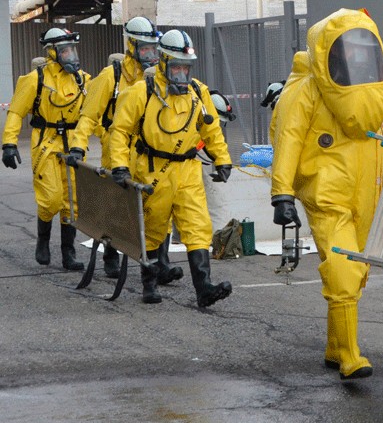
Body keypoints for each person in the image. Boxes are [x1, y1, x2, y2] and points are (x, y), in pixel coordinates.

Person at [270, 8, 383, 381]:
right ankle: (350, 355)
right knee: (342, 269)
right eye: (350, 50)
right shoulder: (307, 92)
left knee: (355, 272)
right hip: (327, 196)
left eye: (364, 50)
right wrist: (281, 193)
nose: (358, 58)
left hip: (369, 196)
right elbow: (289, 139)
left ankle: (335, 347)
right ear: (331, 54)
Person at [108, 29, 233, 307]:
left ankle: (204, 288)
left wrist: (222, 159)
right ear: (163, 63)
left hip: (188, 170)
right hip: (153, 170)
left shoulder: (198, 92)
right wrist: (120, 166)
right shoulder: (141, 92)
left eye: (186, 67)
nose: (182, 74)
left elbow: (211, 129)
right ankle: (149, 284)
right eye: (177, 67)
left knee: (197, 226)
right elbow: (120, 132)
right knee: (153, 229)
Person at [67, 16, 184, 283]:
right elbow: (89, 115)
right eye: (145, 49)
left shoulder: (160, 78)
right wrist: (77, 147)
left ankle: (160, 265)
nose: (151, 55)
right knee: (116, 205)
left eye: (154, 49)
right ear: (132, 46)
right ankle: (111, 255)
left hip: (150, 152)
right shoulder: (112, 77)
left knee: (158, 207)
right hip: (117, 148)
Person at [2, 28, 91, 270]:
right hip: (46, 143)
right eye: (65, 51)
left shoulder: (82, 80)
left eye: (72, 50)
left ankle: (68, 253)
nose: (71, 55)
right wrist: (9, 143)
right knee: (51, 199)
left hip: (73, 144)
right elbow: (16, 112)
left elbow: (93, 114)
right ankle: (42, 241)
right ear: (52, 52)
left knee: (72, 201)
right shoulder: (35, 79)